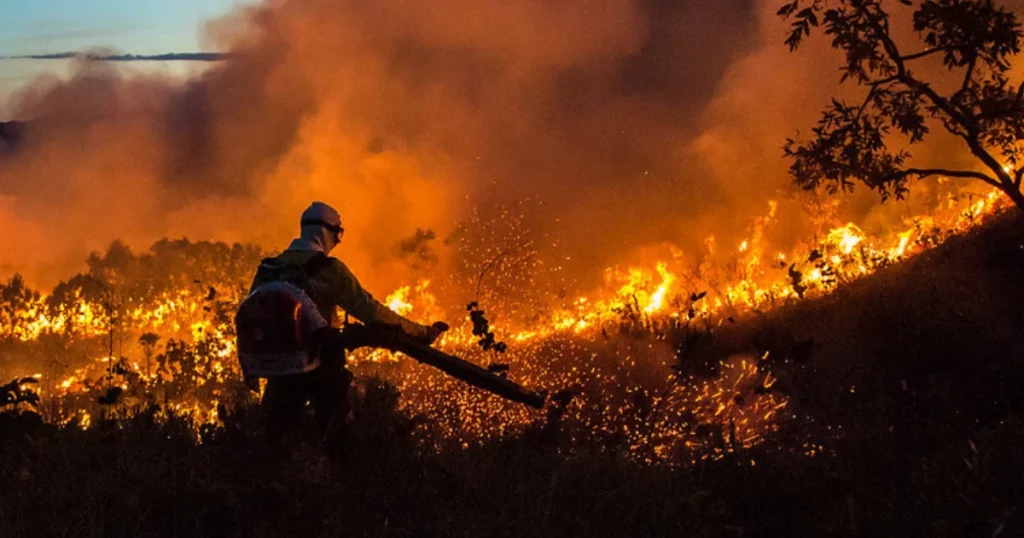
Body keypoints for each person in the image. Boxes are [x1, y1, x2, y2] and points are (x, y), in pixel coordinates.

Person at [250, 201, 446, 449]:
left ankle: (268, 484)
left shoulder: (270, 268)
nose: (338, 241)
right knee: (335, 441)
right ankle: (337, 485)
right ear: (326, 232)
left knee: (272, 442)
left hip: (279, 369)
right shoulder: (330, 270)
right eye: (338, 234)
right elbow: (372, 312)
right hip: (320, 368)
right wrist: (421, 332)